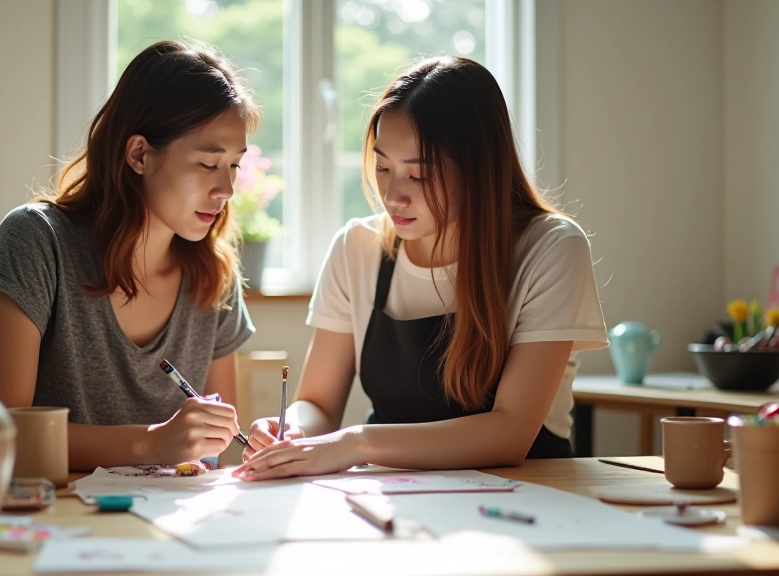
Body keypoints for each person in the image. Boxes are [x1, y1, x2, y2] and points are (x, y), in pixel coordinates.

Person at [235, 56, 608, 481]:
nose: (393, 195)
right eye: (383, 167)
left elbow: (510, 432)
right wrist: (291, 429)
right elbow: (318, 405)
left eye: (420, 174)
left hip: (531, 499)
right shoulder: (357, 248)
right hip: (399, 499)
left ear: (479, 169)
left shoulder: (551, 248)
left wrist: (355, 443)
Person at [0, 40, 259, 471]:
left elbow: (216, 442)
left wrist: (250, 440)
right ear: (139, 154)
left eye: (234, 166)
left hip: (171, 527)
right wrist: (152, 444)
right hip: (56, 521)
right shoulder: (36, 241)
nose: (227, 190)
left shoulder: (213, 274)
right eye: (207, 164)